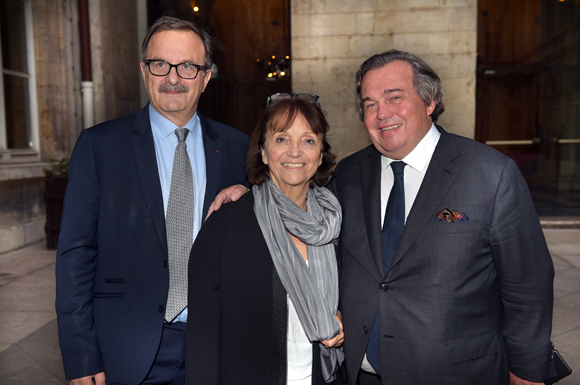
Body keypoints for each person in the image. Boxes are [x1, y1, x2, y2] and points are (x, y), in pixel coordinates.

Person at [210, 50, 556, 385]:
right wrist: (248, 192)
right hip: (359, 373)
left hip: (456, 373)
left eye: (394, 97)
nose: (381, 114)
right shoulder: (348, 175)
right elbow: (297, 195)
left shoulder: (490, 174)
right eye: (370, 104)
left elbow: (528, 283)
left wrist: (526, 370)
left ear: (430, 101)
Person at [55, 16, 249, 385]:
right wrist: (81, 353)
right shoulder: (100, 146)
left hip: (215, 346)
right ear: (144, 71)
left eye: (188, 66)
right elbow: (75, 255)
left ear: (206, 77)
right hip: (126, 349)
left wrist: (253, 194)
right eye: (161, 64)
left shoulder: (237, 147)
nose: (173, 77)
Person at [186, 95, 345, 385]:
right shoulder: (226, 224)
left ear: (321, 154)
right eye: (282, 139)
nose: (295, 152)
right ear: (263, 151)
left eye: (308, 140)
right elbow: (201, 337)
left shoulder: (338, 223)